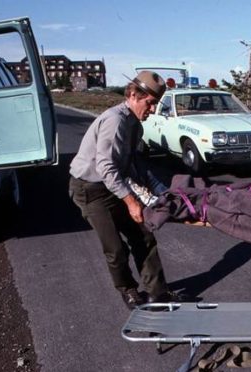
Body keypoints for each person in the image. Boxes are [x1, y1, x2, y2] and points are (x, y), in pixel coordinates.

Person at [69, 71, 180, 309]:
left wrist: (162, 194)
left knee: (144, 237)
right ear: (132, 95)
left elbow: (134, 165)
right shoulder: (115, 120)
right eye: (149, 104)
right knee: (116, 249)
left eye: (155, 105)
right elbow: (106, 166)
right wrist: (131, 202)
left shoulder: (135, 125)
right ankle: (128, 289)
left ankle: (157, 293)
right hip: (90, 189)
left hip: (113, 184)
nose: (152, 110)